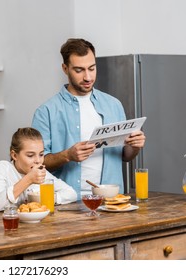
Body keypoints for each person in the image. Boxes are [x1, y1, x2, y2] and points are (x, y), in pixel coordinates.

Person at [31, 38, 146, 199]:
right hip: (67, 203)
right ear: (65, 69)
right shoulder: (46, 112)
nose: (88, 77)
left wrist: (135, 146)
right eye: (79, 70)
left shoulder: (114, 105)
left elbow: (124, 155)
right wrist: (67, 155)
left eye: (92, 68)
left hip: (111, 201)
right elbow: (36, 164)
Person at [0, 127, 77, 212]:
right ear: (14, 155)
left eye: (41, 154)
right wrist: (29, 179)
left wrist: (46, 198)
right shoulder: (3, 168)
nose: (38, 161)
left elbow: (71, 193)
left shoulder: (41, 173)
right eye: (30, 155)